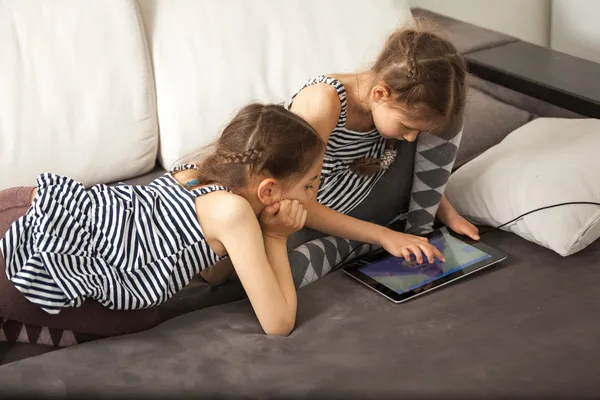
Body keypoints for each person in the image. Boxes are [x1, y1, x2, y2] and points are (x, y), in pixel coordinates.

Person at [0, 103, 324, 337]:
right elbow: (278, 323)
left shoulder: (195, 171)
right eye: (310, 184)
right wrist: (277, 237)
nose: (313, 196)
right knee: (140, 319)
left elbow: (212, 275)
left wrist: (259, 228)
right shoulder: (233, 212)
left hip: (25, 204)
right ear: (268, 190)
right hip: (29, 261)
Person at [288, 24, 478, 265]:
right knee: (299, 260)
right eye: (407, 126)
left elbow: (415, 158)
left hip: (374, 192)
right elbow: (297, 199)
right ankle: (393, 236)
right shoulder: (322, 102)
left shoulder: (388, 105)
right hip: (324, 210)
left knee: (449, 115)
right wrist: (385, 236)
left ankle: (413, 229)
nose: (412, 138)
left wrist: (446, 211)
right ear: (380, 94)